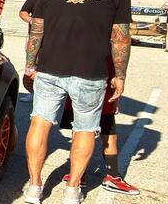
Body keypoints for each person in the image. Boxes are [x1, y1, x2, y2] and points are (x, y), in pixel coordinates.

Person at [24, 0, 132, 204]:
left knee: (40, 123)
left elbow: (36, 31)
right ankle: (72, 190)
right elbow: (120, 38)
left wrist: (29, 65)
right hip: (91, 71)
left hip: (49, 68)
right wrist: (120, 75)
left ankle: (34, 186)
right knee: (84, 129)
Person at [58, 57, 140, 195]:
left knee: (98, 133)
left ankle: (106, 176)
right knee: (92, 133)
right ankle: (85, 174)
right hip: (91, 87)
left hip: (97, 89)